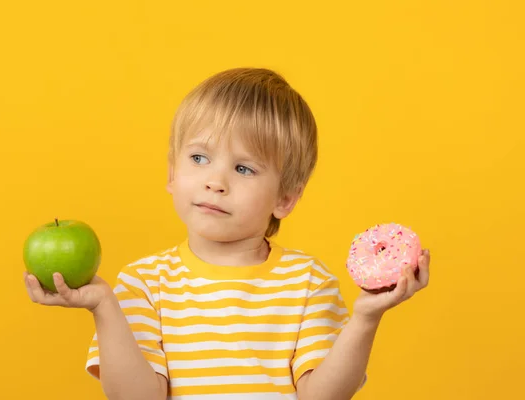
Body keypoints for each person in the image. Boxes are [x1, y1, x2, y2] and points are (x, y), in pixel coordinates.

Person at [24, 67, 431, 400]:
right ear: (171, 173)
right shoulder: (143, 284)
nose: (215, 182)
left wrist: (364, 318)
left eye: (243, 168)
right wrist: (103, 306)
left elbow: (321, 397)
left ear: (285, 199)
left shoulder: (308, 282)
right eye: (199, 158)